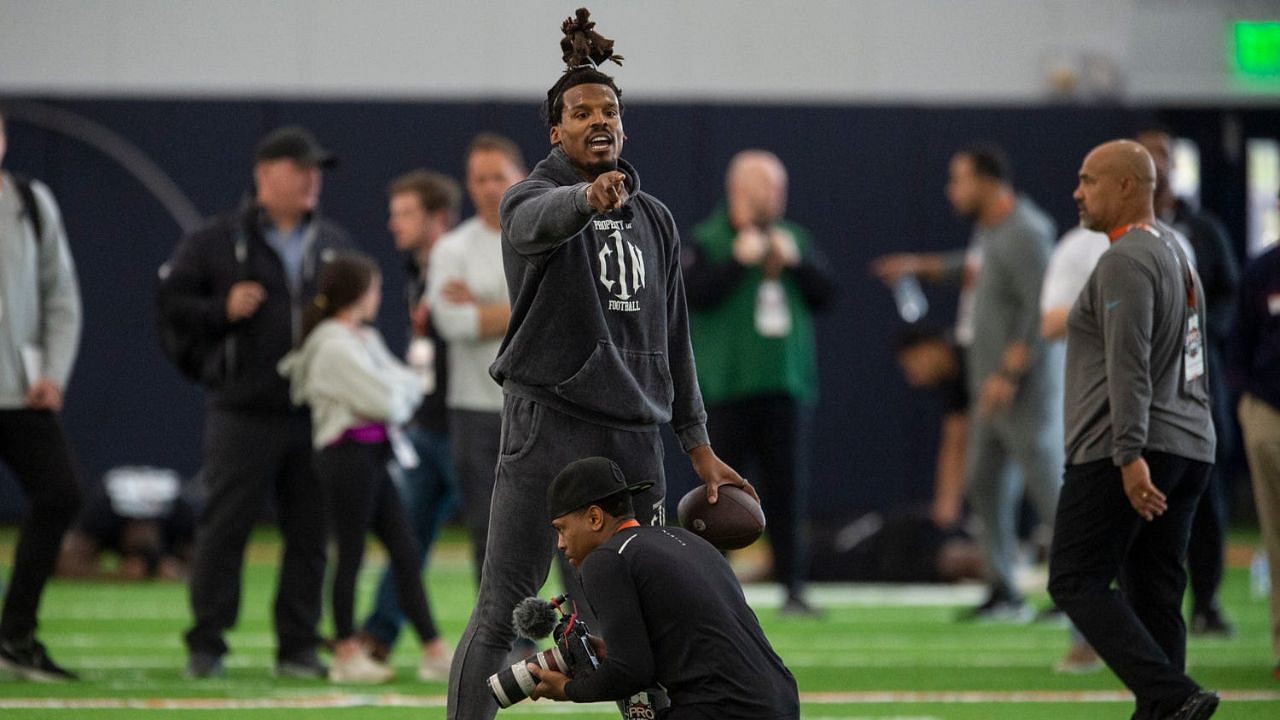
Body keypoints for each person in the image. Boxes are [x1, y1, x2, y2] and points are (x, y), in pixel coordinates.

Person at [446, 10, 749, 720]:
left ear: (624, 123)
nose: (597, 120)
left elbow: (674, 337)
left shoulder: (658, 219)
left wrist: (698, 446)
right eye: (580, 112)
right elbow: (534, 222)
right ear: (556, 131)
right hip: (548, 425)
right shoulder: (528, 197)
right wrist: (586, 198)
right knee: (506, 609)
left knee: (631, 619)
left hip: (634, 438)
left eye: (608, 109)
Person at [158, 125, 350, 679]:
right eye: (301, 168)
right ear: (265, 176)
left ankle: (297, 646)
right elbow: (171, 304)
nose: (313, 180)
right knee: (225, 529)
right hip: (243, 410)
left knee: (311, 534)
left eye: (317, 170)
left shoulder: (333, 241)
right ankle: (208, 644)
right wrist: (222, 311)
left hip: (314, 411)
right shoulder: (216, 241)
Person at [1048, 140, 1219, 720]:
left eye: (1088, 179)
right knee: (1155, 591)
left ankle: (1171, 695)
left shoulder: (1124, 258)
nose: (1077, 191)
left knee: (1074, 578)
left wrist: (1128, 453)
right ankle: (1166, 712)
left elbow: (1129, 360)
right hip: (1188, 438)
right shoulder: (1178, 250)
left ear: (1127, 187)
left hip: (1124, 445)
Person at [524, 457, 799, 718]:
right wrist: (613, 649)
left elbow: (630, 673)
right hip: (781, 700)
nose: (560, 544)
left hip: (721, 708)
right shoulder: (687, 539)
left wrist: (567, 689)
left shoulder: (606, 560)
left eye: (562, 529)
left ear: (595, 518)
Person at [683, 150, 835, 616]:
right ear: (738, 191)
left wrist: (797, 264)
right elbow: (693, 295)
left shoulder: (794, 240)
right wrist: (736, 261)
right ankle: (712, 590)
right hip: (726, 388)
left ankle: (793, 587)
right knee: (719, 497)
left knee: (788, 491)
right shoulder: (707, 239)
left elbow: (826, 294)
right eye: (766, 187)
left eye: (778, 187)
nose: (776, 197)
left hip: (784, 385)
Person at [279, 251, 443, 684]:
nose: (379, 296)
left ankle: (434, 649)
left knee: (405, 550)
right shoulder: (332, 344)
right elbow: (388, 400)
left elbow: (409, 386)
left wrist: (399, 392)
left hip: (374, 454)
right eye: (374, 289)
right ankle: (347, 653)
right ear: (358, 293)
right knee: (351, 552)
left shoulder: (364, 339)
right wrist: (398, 395)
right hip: (345, 458)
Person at [945, 144, 1061, 621]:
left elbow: (1041, 307)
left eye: (959, 179)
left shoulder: (1026, 232)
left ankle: (1080, 589)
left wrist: (1011, 372)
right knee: (984, 482)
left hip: (1020, 387)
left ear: (987, 181)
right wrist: (923, 267)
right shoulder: (991, 232)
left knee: (1048, 487)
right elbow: (979, 276)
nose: (952, 191)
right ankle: (1003, 589)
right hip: (988, 387)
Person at [354, 169, 462, 679]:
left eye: (405, 213)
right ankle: (377, 635)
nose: (393, 223)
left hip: (474, 424)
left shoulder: (462, 262)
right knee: (404, 536)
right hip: (428, 425)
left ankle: (524, 637)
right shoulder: (417, 271)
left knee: (506, 541)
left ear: (436, 219)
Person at [1136, 127, 1240, 637]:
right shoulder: (1117, 234)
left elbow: (1228, 297)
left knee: (1203, 490)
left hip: (1196, 382)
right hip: (1141, 387)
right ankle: (1149, 606)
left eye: (1162, 160)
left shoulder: (1201, 231)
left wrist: (1198, 337)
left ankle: (1208, 600)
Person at [0, 109, 84, 682]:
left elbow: (61, 295)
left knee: (60, 493)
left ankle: (15, 635)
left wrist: (53, 371)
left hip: (19, 392)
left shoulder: (30, 202)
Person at [427, 135, 524, 585]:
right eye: (479, 179)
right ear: (468, 186)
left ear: (520, 178)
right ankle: (501, 641)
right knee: (489, 536)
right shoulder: (451, 249)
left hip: (541, 409)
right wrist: (525, 306)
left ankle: (578, 637)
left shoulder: (546, 238)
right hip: (475, 411)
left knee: (566, 532)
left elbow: (571, 313)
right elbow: (453, 324)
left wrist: (484, 307)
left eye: (498, 177)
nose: (489, 188)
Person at [1228, 214, 1280, 680]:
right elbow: (1238, 341)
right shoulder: (1262, 271)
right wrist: (1248, 401)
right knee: (1275, 534)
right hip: (1268, 410)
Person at [56, 466, 196, 582]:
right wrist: (116, 576)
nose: (142, 533)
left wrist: (180, 573)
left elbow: (212, 568)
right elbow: (63, 562)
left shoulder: (180, 515)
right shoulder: (103, 512)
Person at [892, 327, 970, 531]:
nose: (914, 378)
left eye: (911, 365)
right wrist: (947, 501)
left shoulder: (974, 354)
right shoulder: (952, 384)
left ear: (930, 348)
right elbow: (954, 442)